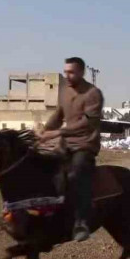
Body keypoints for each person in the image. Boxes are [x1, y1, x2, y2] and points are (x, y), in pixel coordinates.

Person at [39, 57, 104, 242]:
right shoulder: (65, 91)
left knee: (76, 175)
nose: (67, 75)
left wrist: (56, 133)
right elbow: (58, 115)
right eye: (65, 71)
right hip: (65, 145)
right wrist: (44, 130)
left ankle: (81, 222)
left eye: (71, 72)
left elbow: (88, 123)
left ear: (82, 72)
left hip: (84, 145)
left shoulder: (93, 93)